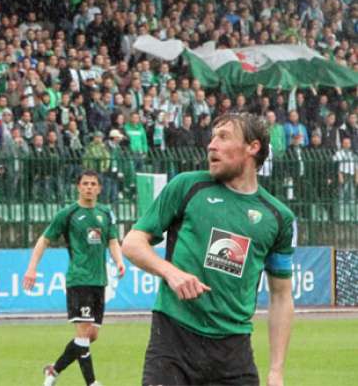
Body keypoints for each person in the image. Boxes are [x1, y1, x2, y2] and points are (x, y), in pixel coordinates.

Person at [122, 113, 296, 386]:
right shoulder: (188, 186)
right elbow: (132, 243)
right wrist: (170, 272)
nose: (211, 145)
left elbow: (281, 297)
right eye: (212, 137)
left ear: (253, 147)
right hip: (173, 339)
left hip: (233, 352)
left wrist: (276, 371)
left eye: (223, 137)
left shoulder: (278, 217)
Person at [23, 170, 124, 386]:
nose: (89, 187)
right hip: (79, 280)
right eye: (85, 183)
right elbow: (44, 240)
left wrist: (119, 261)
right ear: (78, 187)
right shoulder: (68, 213)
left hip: (100, 281)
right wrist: (32, 269)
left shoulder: (105, 213)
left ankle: (53, 370)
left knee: (91, 335)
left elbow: (113, 240)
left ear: (99, 188)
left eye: (93, 184)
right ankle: (92, 382)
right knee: (84, 332)